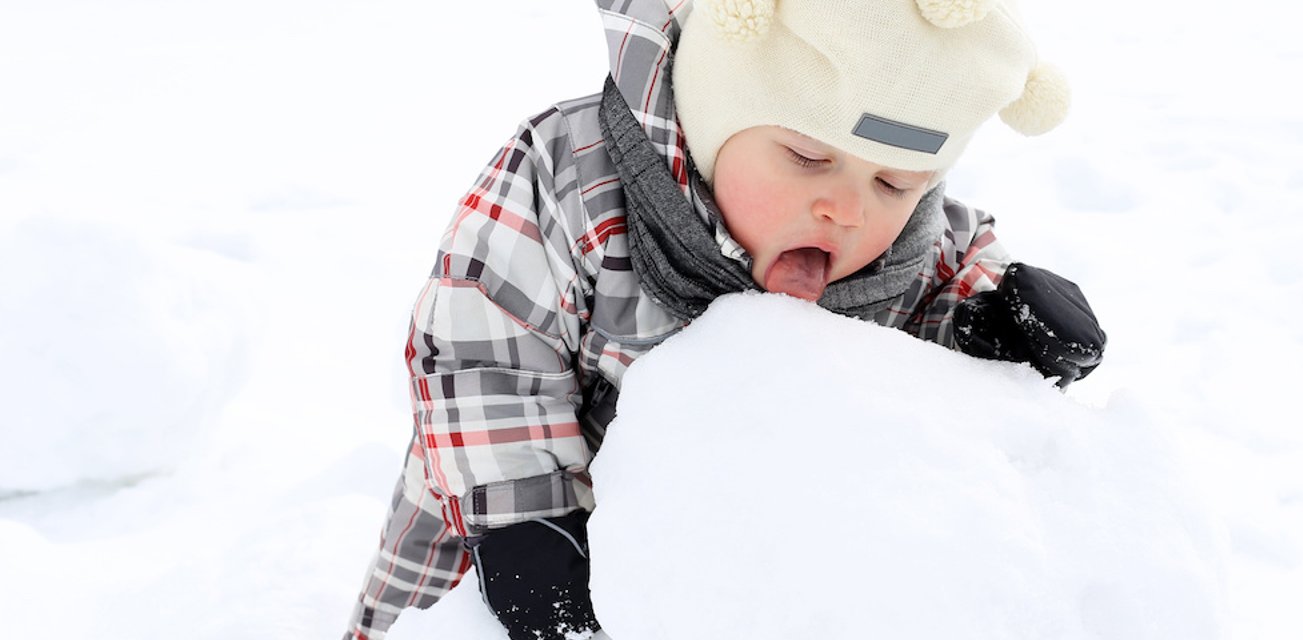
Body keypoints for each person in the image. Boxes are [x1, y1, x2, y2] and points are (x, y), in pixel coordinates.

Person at [343, 1, 1107, 638]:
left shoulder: (903, 248)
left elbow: (949, 275)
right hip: (503, 531)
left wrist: (996, 322)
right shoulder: (569, 177)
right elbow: (480, 354)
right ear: (715, 114)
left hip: (722, 566)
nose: (844, 208)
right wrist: (525, 525)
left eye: (893, 182)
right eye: (807, 158)